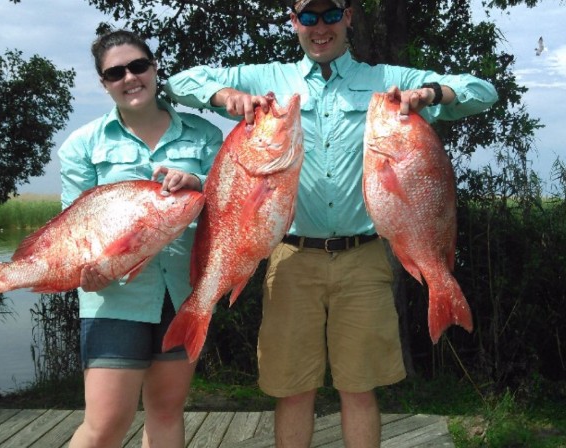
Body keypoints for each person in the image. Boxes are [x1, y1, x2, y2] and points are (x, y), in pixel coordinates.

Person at [164, 1, 498, 446]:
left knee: (359, 388)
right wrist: (227, 97)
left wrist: (430, 94)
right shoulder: (266, 79)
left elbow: (482, 90)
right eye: (307, 16)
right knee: (292, 389)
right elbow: (176, 83)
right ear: (293, 21)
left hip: (363, 258)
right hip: (290, 258)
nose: (319, 27)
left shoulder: (386, 82)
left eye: (330, 14)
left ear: (349, 17)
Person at [58, 29, 222, 448]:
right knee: (106, 424)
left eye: (138, 65)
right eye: (116, 72)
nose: (129, 77)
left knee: (166, 413)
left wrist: (198, 183)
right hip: (114, 298)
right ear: (104, 83)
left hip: (184, 292)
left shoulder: (204, 135)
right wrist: (84, 269)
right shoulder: (82, 145)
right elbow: (73, 226)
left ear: (154, 68)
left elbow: (229, 200)